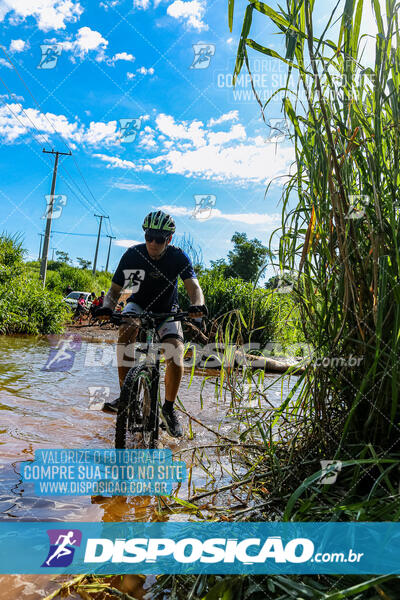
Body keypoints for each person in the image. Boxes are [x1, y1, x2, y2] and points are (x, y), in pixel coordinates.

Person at [95, 210, 207, 438]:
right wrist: (107, 308)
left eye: (160, 238)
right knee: (126, 328)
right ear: (144, 235)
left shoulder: (179, 257)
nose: (153, 243)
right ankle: (126, 396)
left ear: (169, 239)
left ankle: (168, 408)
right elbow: (114, 291)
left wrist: (197, 307)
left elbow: (194, 288)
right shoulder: (132, 255)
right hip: (137, 305)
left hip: (168, 311)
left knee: (175, 352)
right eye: (149, 236)